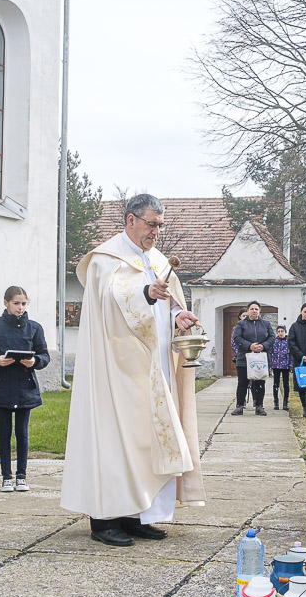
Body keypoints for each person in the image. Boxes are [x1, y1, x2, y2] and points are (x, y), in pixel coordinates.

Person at [61, 193, 205, 547]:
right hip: (114, 369)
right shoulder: (105, 258)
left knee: (146, 442)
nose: (156, 231)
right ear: (130, 220)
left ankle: (138, 514)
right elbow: (109, 299)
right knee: (113, 440)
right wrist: (145, 292)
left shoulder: (156, 259)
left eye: (160, 225)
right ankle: (105, 518)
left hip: (153, 369)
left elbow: (165, 304)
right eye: (151, 223)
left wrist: (177, 315)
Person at [0, 286, 50, 492]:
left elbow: (44, 355)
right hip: (2, 386)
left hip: (25, 387)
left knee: (22, 432)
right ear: (6, 303)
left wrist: (35, 361)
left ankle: (22, 476)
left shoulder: (34, 328)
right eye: (16, 303)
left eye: (23, 304)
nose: (20, 308)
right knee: (4, 432)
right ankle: (6, 477)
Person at [232, 300, 274, 416]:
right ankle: (239, 406)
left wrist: (263, 346)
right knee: (242, 383)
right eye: (252, 309)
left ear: (259, 311)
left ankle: (259, 406)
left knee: (260, 383)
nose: (254, 311)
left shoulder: (266, 324)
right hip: (244, 359)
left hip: (260, 358)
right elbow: (237, 338)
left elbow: (271, 337)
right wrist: (249, 345)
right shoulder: (241, 324)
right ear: (248, 310)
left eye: (256, 309)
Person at [268, 324, 292, 410]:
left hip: (285, 365)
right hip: (276, 365)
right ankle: (276, 401)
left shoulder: (288, 341)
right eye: (278, 331)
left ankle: (285, 402)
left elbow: (291, 354)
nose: (280, 333)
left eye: (282, 331)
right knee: (276, 384)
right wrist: (270, 364)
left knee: (286, 384)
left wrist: (291, 365)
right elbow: (270, 353)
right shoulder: (274, 341)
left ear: (285, 332)